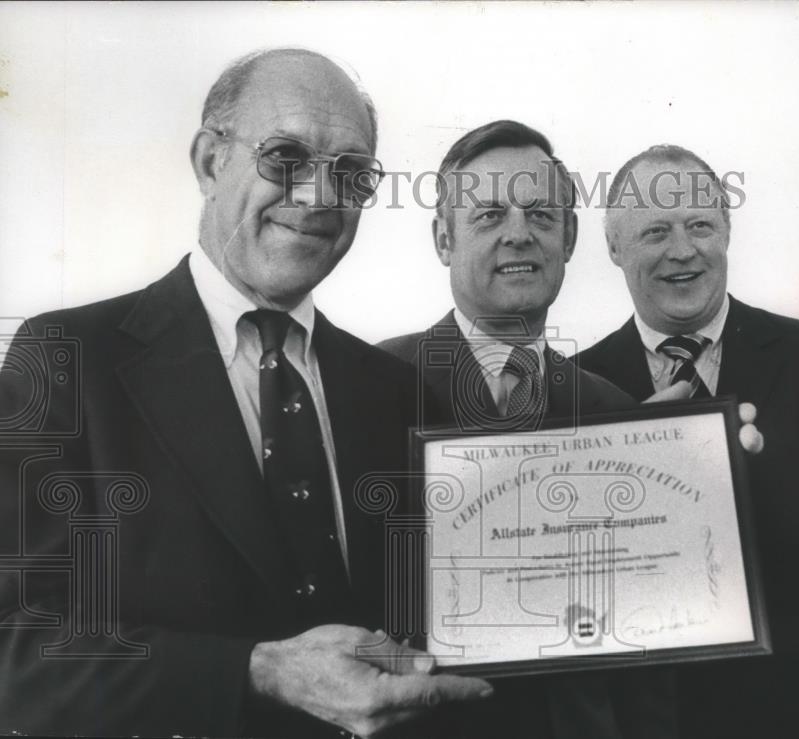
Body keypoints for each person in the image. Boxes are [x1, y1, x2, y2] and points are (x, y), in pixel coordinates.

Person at [0, 48, 492, 738]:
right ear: (209, 161)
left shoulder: (398, 391)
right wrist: (257, 671)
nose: (320, 197)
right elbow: (13, 650)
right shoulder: (67, 360)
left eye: (350, 173)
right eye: (285, 156)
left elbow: (464, 620)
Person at [379, 121, 764, 739]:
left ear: (569, 238)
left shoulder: (615, 412)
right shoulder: (367, 384)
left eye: (539, 214)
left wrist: (704, 487)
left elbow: (649, 662)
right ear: (443, 240)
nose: (518, 234)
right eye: (487, 216)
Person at [574, 144, 799, 739]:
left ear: (727, 232)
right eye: (654, 231)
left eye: (700, 225)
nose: (682, 249)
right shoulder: (571, 393)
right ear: (615, 248)